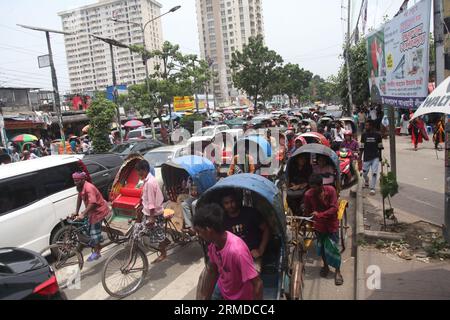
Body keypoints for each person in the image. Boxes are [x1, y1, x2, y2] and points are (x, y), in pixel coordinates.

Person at [194, 203, 264, 300]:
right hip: (224, 288)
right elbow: (212, 271)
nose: (199, 235)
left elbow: (258, 284)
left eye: (199, 231)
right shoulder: (213, 245)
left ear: (209, 230)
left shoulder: (237, 251)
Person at [304, 174, 343, 286]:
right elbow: (308, 210)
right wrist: (309, 221)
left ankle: (338, 271)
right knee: (321, 249)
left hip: (331, 224)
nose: (313, 190)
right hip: (319, 226)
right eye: (311, 187)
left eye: (315, 187)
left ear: (321, 185)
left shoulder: (331, 191)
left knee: (334, 249)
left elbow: (334, 208)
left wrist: (320, 214)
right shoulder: (308, 195)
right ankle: (325, 266)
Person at [220, 190, 271, 273]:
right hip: (233, 257)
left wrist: (261, 249)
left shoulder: (251, 213)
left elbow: (266, 229)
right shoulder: (223, 219)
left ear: (237, 201)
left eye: (232, 201)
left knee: (254, 276)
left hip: (253, 254)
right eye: (226, 203)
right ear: (223, 205)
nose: (230, 205)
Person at [135, 160, 170, 263]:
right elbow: (146, 198)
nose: (138, 174)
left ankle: (163, 254)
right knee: (149, 232)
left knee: (158, 234)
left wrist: (151, 217)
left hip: (154, 214)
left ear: (145, 170)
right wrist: (142, 207)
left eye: (139, 171)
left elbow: (151, 202)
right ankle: (165, 241)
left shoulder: (150, 182)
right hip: (149, 212)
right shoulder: (147, 180)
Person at [72, 172, 110, 262]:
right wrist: (76, 212)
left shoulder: (89, 188)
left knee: (94, 232)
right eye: (74, 181)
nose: (75, 183)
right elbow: (79, 198)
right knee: (86, 228)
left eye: (77, 181)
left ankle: (97, 252)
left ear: (83, 180)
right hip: (92, 212)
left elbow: (93, 203)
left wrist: (83, 214)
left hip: (99, 211)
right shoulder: (81, 187)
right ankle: (97, 240)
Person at [360, 120, 383, 195]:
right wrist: (360, 157)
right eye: (365, 125)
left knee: (374, 173)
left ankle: (372, 188)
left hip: (375, 157)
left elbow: (380, 146)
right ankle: (366, 180)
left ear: (371, 126)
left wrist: (380, 156)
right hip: (366, 157)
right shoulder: (364, 135)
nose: (366, 127)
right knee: (364, 173)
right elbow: (361, 146)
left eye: (367, 125)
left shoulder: (378, 135)